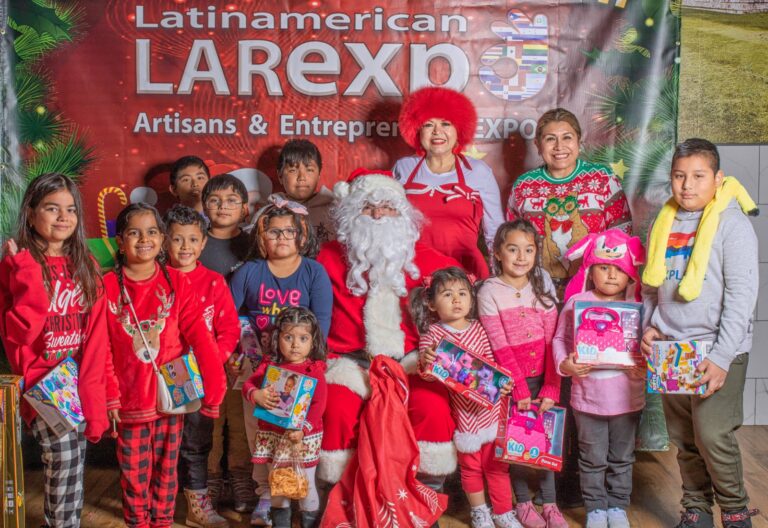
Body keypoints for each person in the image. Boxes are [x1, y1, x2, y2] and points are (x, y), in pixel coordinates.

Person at [641, 139, 760, 528]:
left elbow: (742, 297)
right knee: (684, 437)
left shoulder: (731, 224)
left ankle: (736, 511)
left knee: (712, 434)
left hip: (717, 348)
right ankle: (696, 509)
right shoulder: (664, 222)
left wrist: (722, 357)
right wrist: (650, 325)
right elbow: (650, 287)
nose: (687, 185)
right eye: (679, 176)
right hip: (673, 348)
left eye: (698, 176)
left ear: (718, 178)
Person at [316, 168, 459, 492]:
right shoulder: (327, 258)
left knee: (432, 408)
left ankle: (426, 497)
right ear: (352, 214)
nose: (378, 215)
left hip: (411, 362)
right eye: (368, 207)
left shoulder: (431, 261)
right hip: (350, 363)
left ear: (403, 215)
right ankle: (339, 499)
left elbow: (462, 298)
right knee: (336, 409)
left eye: (387, 207)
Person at [103, 203, 227, 528]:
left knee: (167, 470)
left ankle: (162, 521)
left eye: (152, 232)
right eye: (134, 233)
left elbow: (200, 337)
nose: (144, 239)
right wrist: (111, 396)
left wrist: (214, 388)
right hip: (130, 400)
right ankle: (138, 522)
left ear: (161, 238)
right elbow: (102, 349)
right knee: (134, 473)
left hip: (173, 396)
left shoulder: (176, 282)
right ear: (120, 241)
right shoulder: (108, 286)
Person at [0, 173, 109, 528]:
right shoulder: (19, 264)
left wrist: (94, 394)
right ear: (31, 214)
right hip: (42, 382)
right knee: (63, 458)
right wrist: (25, 272)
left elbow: (96, 335)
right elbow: (21, 332)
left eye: (71, 209)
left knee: (73, 462)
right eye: (52, 208)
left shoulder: (86, 264)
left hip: (76, 380)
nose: (64, 217)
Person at [229, 195, 331, 525]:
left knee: (296, 432)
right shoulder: (249, 272)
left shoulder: (314, 272)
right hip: (260, 364)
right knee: (259, 429)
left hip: (302, 366)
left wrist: (312, 364)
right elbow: (229, 319)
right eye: (274, 232)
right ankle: (265, 494)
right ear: (262, 237)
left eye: (289, 231)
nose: (282, 238)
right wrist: (234, 354)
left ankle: (303, 497)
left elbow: (321, 324)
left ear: (301, 235)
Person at [411, 267, 519, 528]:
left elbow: (493, 363)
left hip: (492, 410)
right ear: (432, 304)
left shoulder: (479, 329)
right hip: (465, 414)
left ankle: (504, 512)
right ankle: (479, 512)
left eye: (462, 293)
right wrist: (426, 360)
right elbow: (427, 375)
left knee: (497, 466)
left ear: (471, 298)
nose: (456, 300)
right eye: (447, 294)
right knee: (471, 467)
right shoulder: (433, 335)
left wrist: (503, 383)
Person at [553, 228, 647, 528]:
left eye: (618, 269)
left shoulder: (638, 307)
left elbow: (649, 347)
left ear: (630, 274)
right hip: (587, 399)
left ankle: (617, 506)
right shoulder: (577, 303)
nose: (611, 275)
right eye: (603, 267)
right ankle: (595, 508)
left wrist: (644, 367)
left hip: (628, 398)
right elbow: (559, 339)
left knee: (622, 457)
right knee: (591, 457)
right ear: (590, 271)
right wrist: (565, 364)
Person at [477, 220, 566, 528]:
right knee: (515, 444)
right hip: (513, 382)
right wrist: (519, 389)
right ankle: (524, 503)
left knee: (546, 442)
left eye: (528, 250)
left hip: (544, 378)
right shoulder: (489, 291)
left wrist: (552, 387)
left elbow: (553, 340)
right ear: (497, 252)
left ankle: (550, 504)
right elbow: (499, 346)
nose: (521, 257)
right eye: (513, 249)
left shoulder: (541, 284)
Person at [165, 205, 240, 528]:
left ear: (203, 242)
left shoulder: (212, 282)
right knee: (164, 443)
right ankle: (159, 504)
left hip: (199, 376)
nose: (185, 247)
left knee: (196, 443)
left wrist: (211, 359)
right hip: (162, 376)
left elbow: (230, 329)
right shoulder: (155, 278)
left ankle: (197, 507)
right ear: (164, 240)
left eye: (193, 239)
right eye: (177, 239)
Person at [506, 108, 632, 297]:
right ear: (538, 145)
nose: (559, 146)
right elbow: (511, 239)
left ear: (579, 141)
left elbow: (622, 235)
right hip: (537, 291)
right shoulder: (524, 186)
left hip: (593, 291)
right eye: (550, 139)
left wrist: (609, 287)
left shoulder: (602, 179)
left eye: (567, 137)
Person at [393, 86, 504, 279]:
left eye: (446, 124)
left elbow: (495, 232)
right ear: (417, 130)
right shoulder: (403, 168)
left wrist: (501, 281)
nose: (437, 131)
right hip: (413, 271)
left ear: (459, 130)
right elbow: (388, 226)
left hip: (465, 273)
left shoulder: (478, 172)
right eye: (428, 125)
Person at [243, 307, 327, 528]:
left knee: (305, 485)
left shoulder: (313, 371)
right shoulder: (270, 366)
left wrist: (303, 430)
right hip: (274, 436)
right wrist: (256, 395)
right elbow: (248, 385)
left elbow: (319, 405)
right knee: (278, 485)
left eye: (303, 338)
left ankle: (309, 523)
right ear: (276, 338)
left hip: (302, 439)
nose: (295, 344)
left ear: (313, 341)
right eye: (288, 337)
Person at [271, 139, 335, 242]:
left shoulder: (334, 212)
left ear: (319, 174)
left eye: (309, 170)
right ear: (280, 176)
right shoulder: (268, 212)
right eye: (293, 170)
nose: (302, 177)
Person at [199, 174, 251, 279]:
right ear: (204, 208)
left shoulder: (253, 244)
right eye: (214, 200)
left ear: (244, 209)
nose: (222, 206)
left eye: (231, 200)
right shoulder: (195, 244)